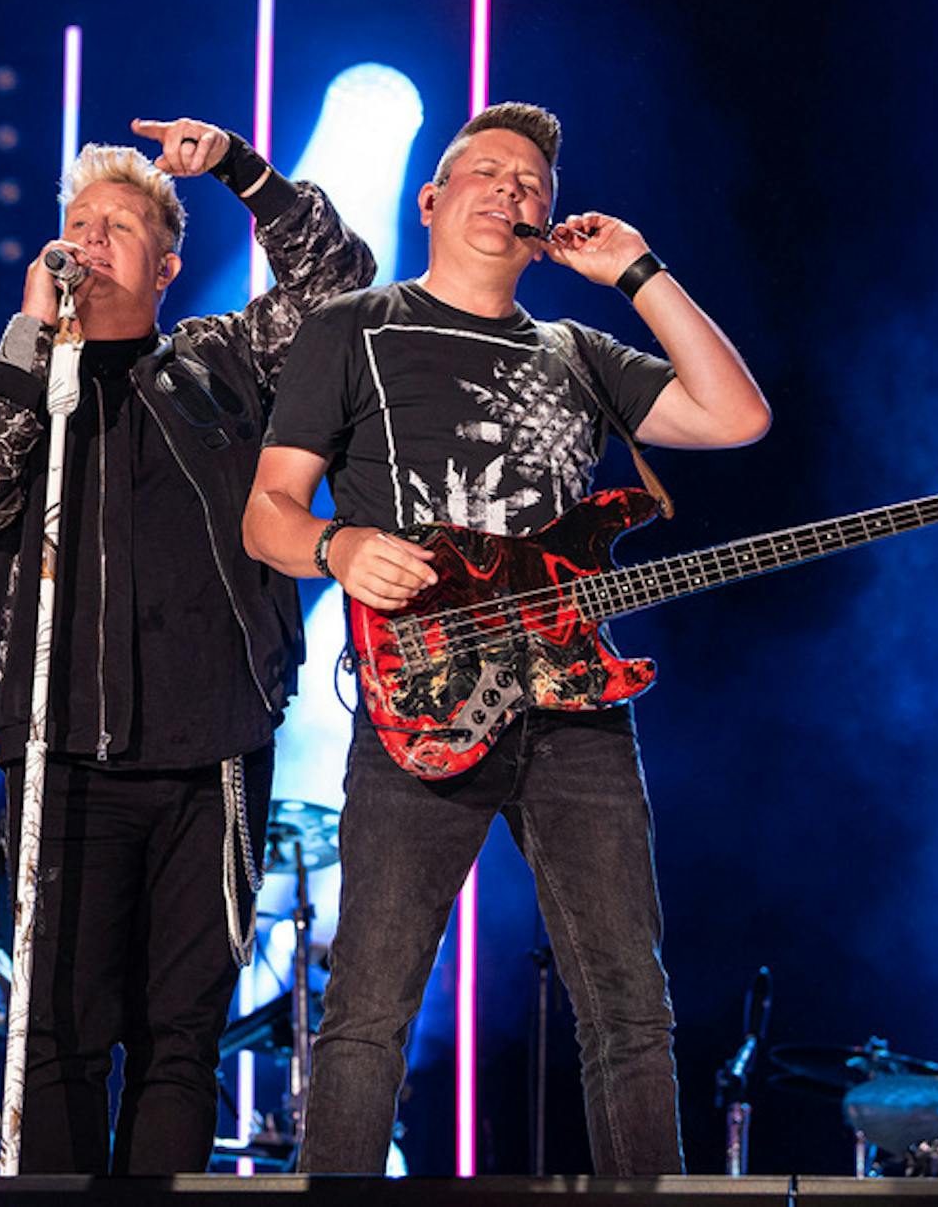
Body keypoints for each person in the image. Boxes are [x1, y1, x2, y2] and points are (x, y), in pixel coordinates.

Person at [241, 102, 771, 1176]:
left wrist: (638, 272)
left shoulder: (581, 353)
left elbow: (736, 417)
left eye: (531, 181)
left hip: (577, 704)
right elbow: (268, 513)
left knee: (631, 1006)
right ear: (432, 201)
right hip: (420, 697)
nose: (510, 189)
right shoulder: (356, 328)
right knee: (369, 1007)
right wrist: (338, 548)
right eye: (485, 172)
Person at [0, 117, 375, 1173]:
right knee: (55, 1041)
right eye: (75, 224)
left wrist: (238, 172)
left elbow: (338, 286)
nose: (88, 241)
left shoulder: (219, 361)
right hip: (57, 757)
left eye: (117, 227)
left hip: (208, 750)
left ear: (167, 265)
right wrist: (30, 345)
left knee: (179, 1043)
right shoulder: (1, 382)